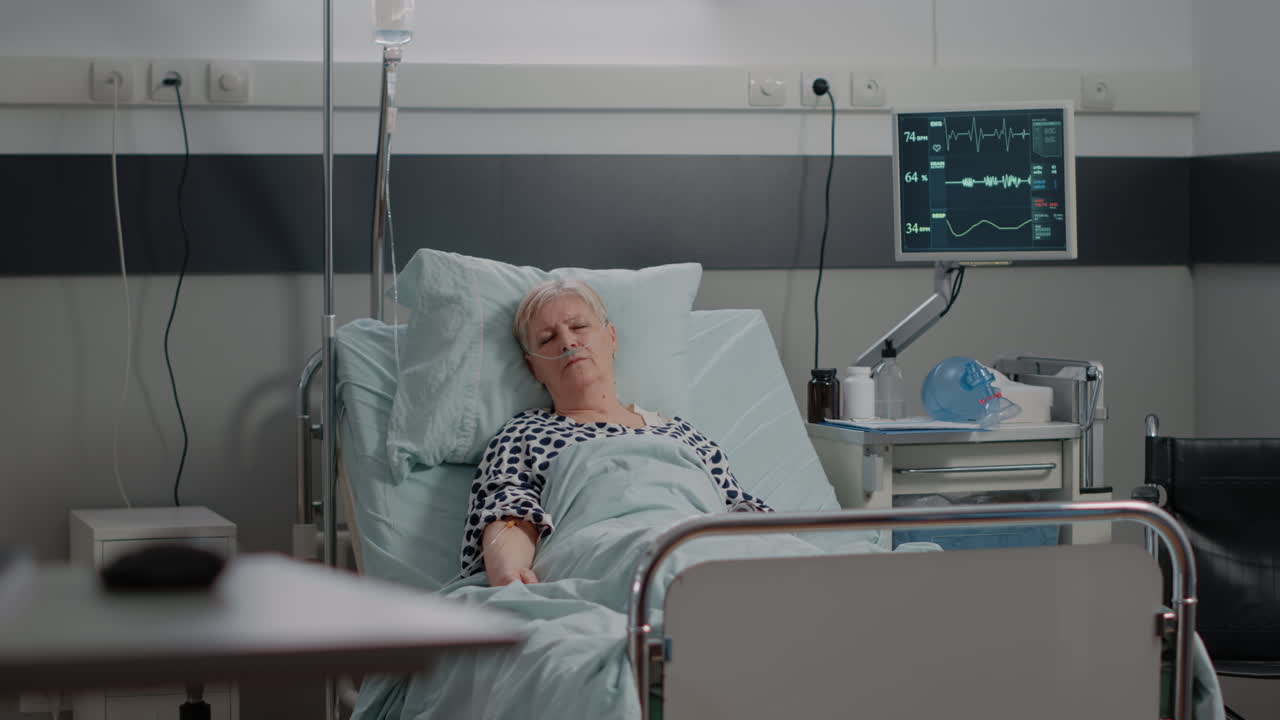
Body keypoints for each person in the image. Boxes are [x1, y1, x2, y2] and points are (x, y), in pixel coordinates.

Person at [460, 277, 772, 586]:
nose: (567, 342)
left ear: (611, 338)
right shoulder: (525, 433)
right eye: (547, 338)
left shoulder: (683, 434)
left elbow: (739, 510)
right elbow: (509, 513)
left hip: (705, 550)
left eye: (579, 326)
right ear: (534, 368)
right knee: (666, 562)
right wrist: (510, 574)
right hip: (607, 555)